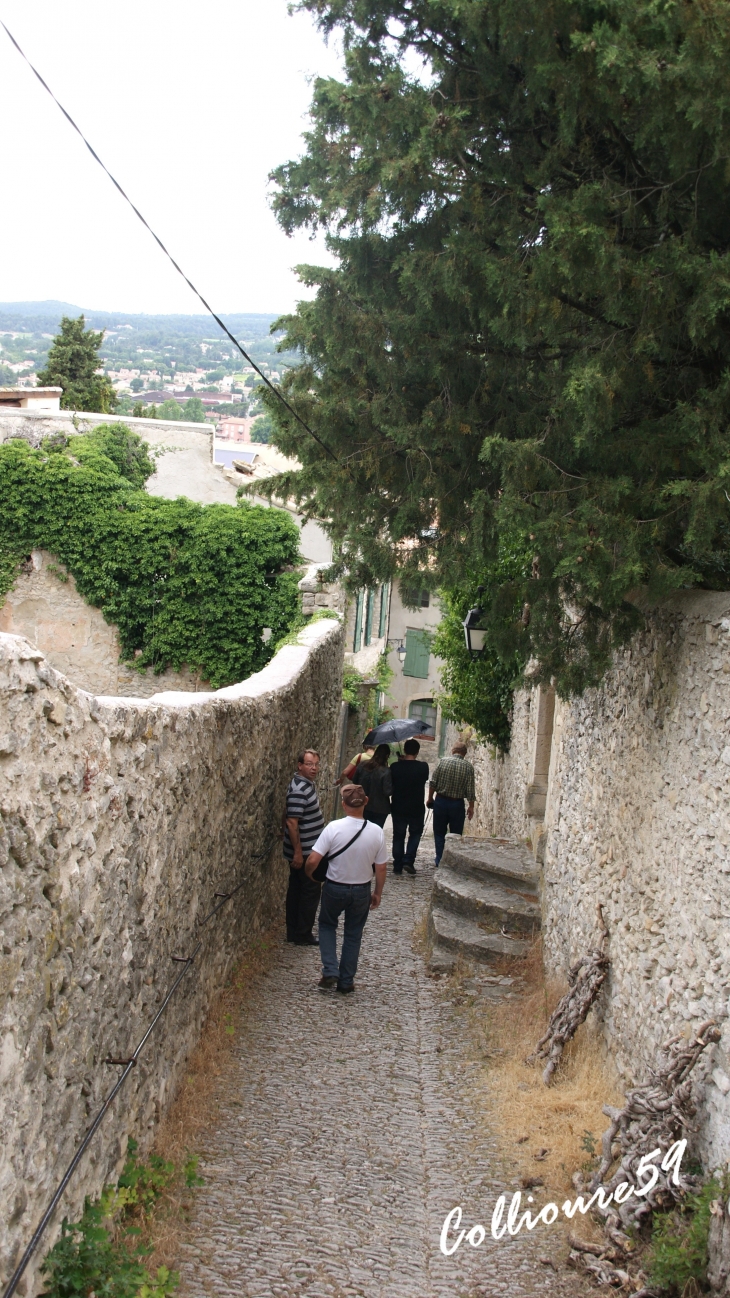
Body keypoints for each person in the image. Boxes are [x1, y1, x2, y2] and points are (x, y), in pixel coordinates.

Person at [305, 783, 388, 993]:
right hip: (361, 890)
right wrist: (377, 892)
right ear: (366, 802)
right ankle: (346, 981)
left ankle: (330, 969)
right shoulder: (377, 832)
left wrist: (310, 874)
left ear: (343, 804)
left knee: (326, 925)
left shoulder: (333, 828)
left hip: (334, 887)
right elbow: (381, 868)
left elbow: (314, 859)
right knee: (353, 933)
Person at [283, 749, 325, 945]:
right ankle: (302, 934)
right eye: (309, 764)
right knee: (309, 891)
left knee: (297, 889)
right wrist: (298, 853)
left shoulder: (304, 784)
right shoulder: (300, 789)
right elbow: (293, 822)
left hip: (307, 849)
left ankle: (294, 931)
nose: (314, 768)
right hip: (306, 852)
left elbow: (289, 812)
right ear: (300, 765)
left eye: (315, 764)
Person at [427, 741, 476, 866]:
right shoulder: (468, 767)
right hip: (457, 804)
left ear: (453, 751)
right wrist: (471, 807)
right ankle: (452, 862)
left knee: (439, 832)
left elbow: (433, 782)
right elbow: (470, 790)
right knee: (455, 834)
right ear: (464, 753)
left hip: (441, 801)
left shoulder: (443, 761)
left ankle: (439, 859)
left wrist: (430, 798)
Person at [389, 738, 430, 875]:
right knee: (415, 834)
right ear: (417, 752)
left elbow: (393, 781)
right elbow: (423, 778)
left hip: (398, 806)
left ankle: (397, 864)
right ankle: (409, 860)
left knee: (398, 835)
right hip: (416, 807)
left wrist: (400, 763)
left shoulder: (395, 767)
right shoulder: (423, 767)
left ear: (405, 750)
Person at [354, 743, 392, 827]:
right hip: (380, 808)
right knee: (375, 832)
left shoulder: (363, 765)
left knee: (361, 830)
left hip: (363, 804)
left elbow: (355, 781)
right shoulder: (386, 771)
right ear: (386, 756)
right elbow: (387, 791)